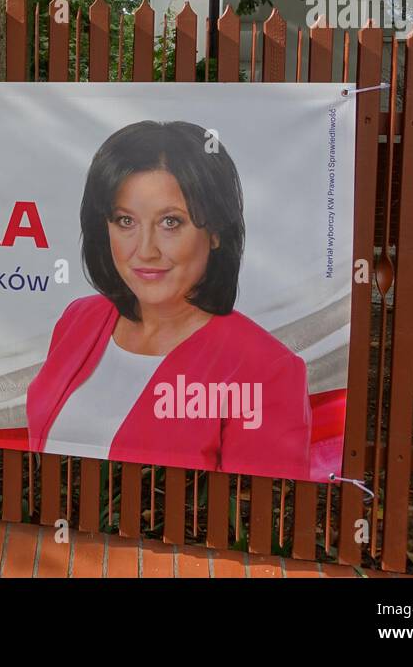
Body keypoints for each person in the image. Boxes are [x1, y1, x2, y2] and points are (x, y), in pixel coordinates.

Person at [25, 120, 317, 481]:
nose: (145, 251)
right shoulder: (80, 318)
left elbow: (256, 519)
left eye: (170, 222)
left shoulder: (267, 371)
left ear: (215, 232)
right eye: (125, 220)